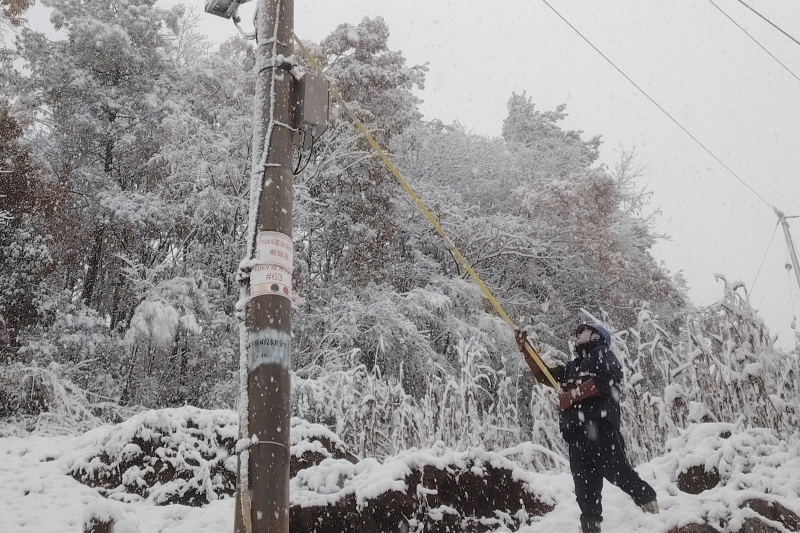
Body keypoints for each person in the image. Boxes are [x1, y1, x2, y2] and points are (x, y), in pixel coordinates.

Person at [515, 323, 658, 533]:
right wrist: (527, 350)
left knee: (616, 470)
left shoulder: (601, 354)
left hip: (599, 426)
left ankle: (650, 503)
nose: (576, 335)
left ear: (597, 336)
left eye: (582, 332)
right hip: (576, 434)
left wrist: (571, 397)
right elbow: (544, 374)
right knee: (584, 487)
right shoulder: (572, 367)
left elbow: (608, 377)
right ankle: (591, 525)